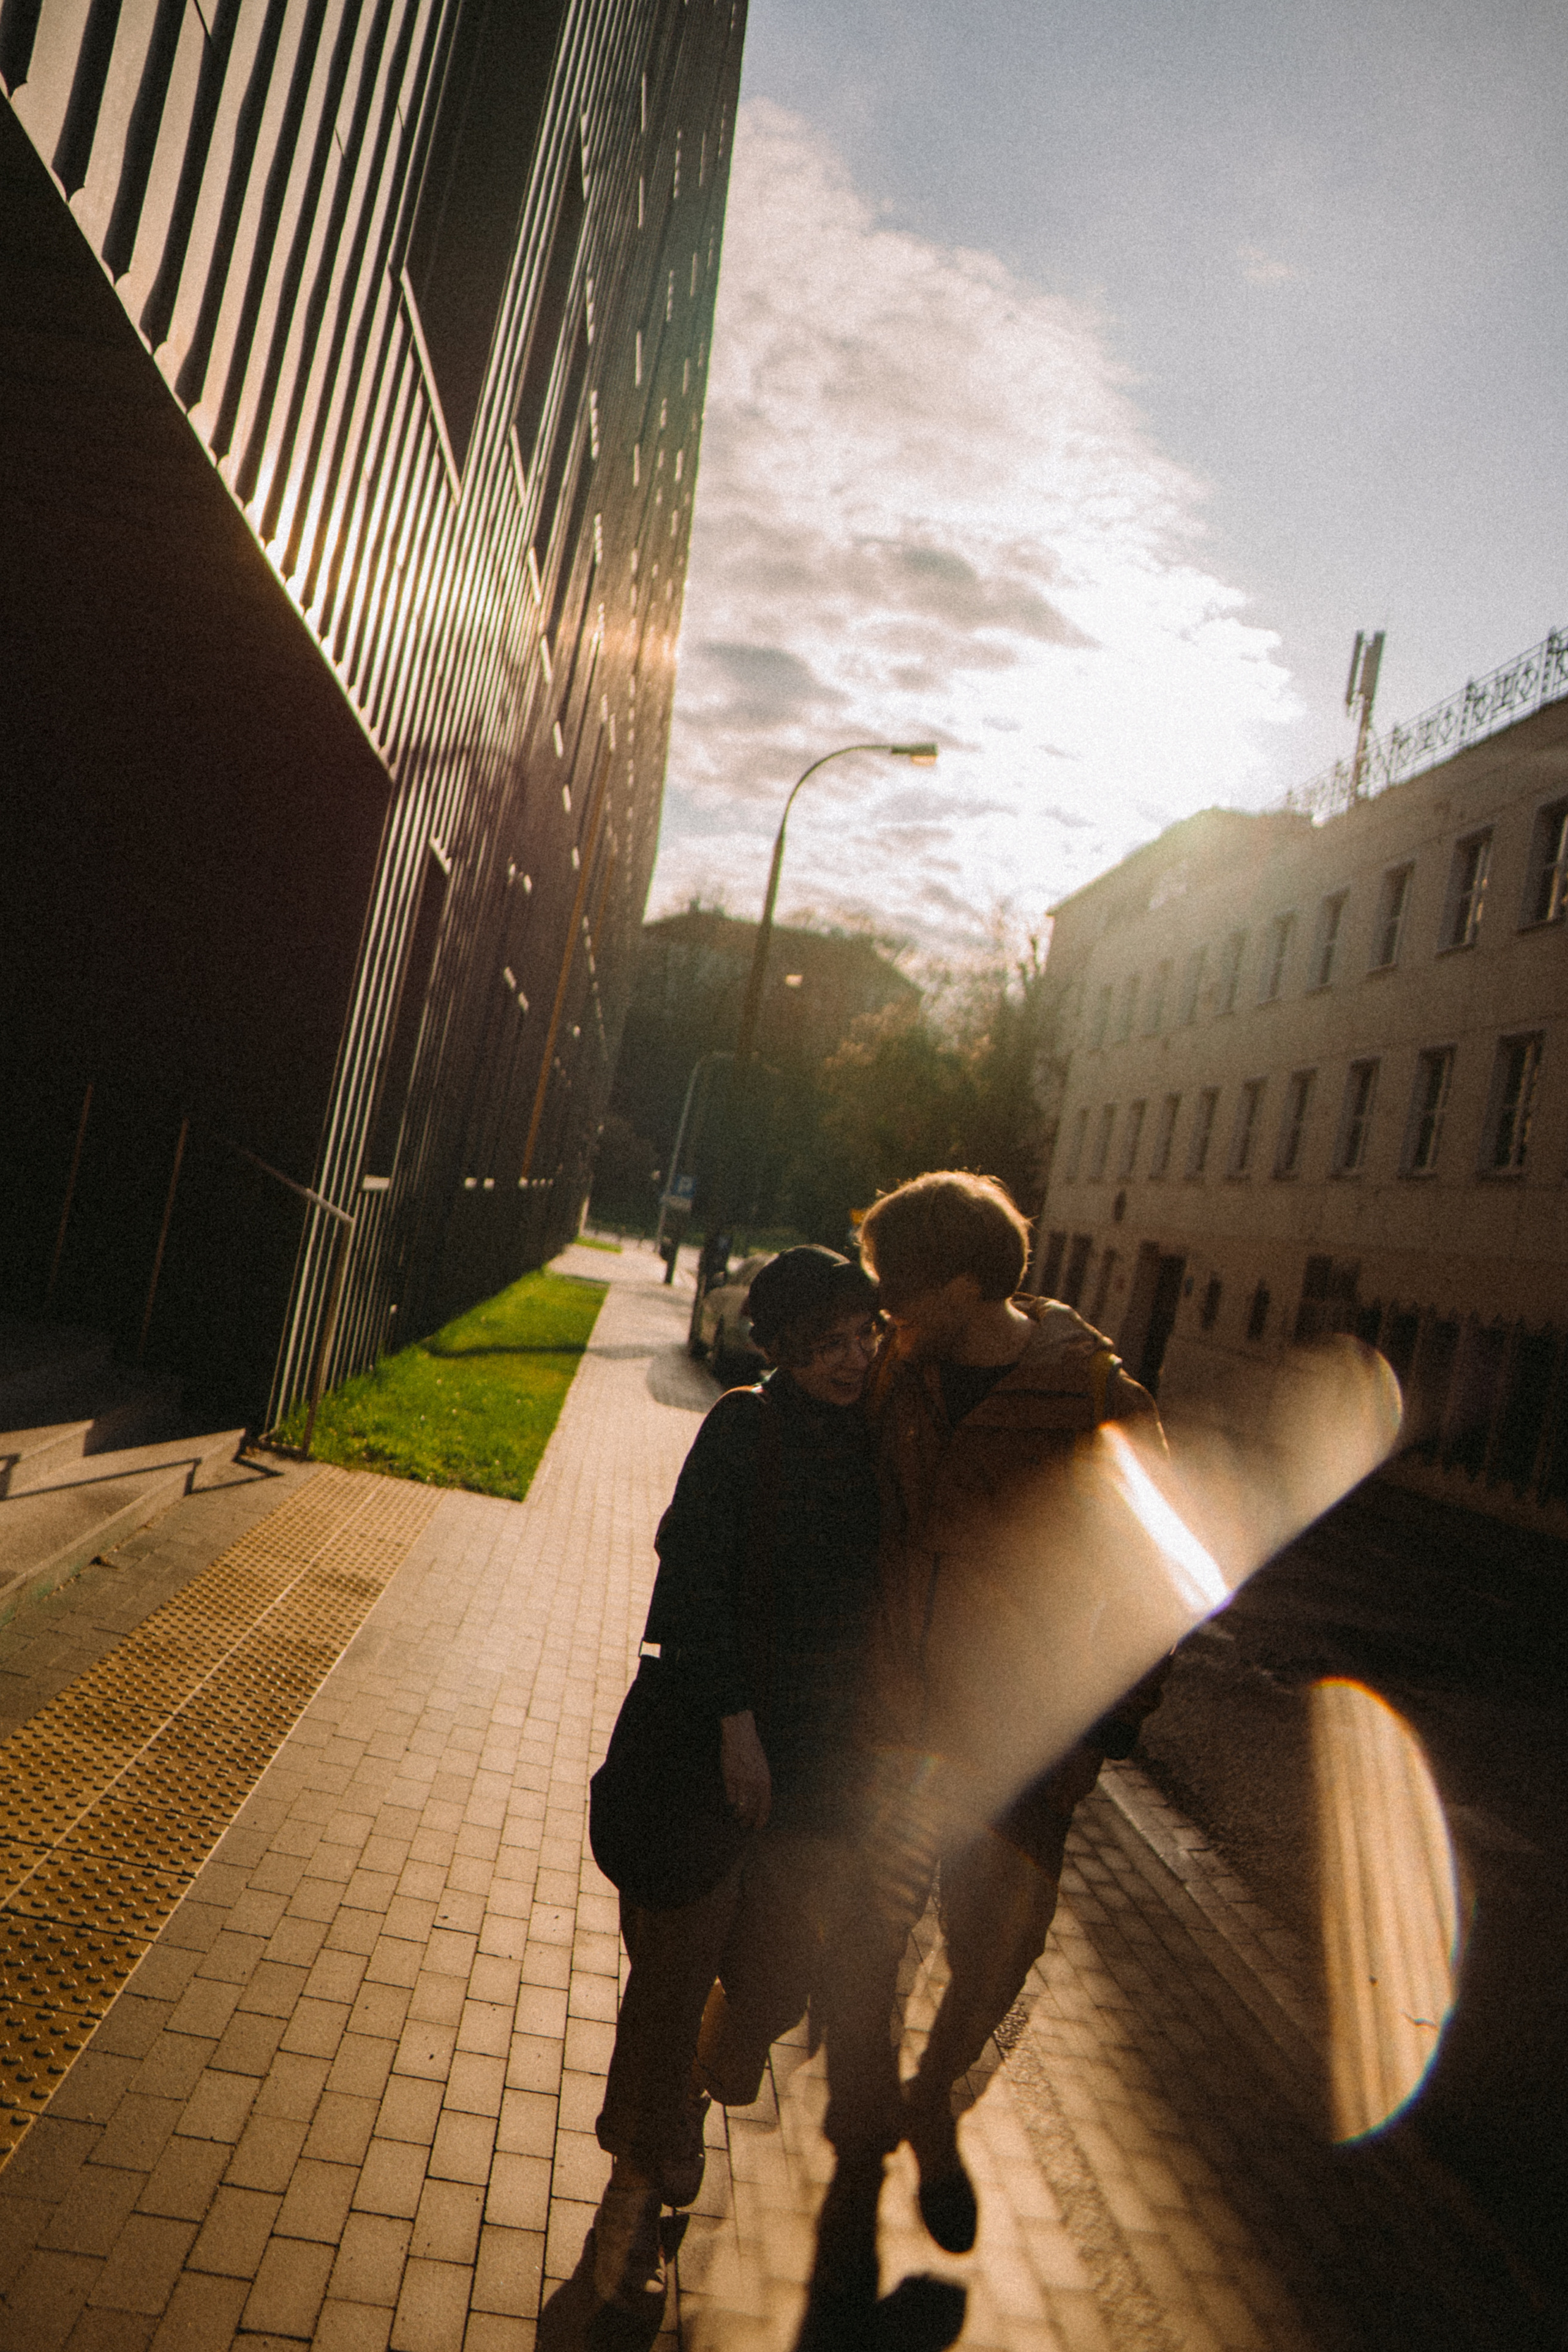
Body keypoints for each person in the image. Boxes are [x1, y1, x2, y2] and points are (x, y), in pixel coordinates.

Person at [834, 1170, 1169, 2261]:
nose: (885, 1306)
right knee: (867, 1932)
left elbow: (1159, 1578)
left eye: (901, 1287)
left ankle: (932, 2098)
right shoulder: (899, 1373)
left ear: (966, 1286)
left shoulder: (1093, 1397)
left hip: (1021, 1737)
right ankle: (863, 2126)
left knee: (995, 1956)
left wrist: (1107, 1726)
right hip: (894, 1719)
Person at [589, 1246, 884, 2314]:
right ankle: (642, 2192)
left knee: (771, 1986)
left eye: (866, 1336)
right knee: (675, 1981)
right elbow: (690, 1584)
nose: (853, 1358)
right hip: (708, 1753)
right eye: (829, 1341)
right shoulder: (744, 1428)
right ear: (783, 1344)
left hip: (823, 1766)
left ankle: (680, 2102)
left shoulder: (880, 1443)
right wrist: (735, 1726)